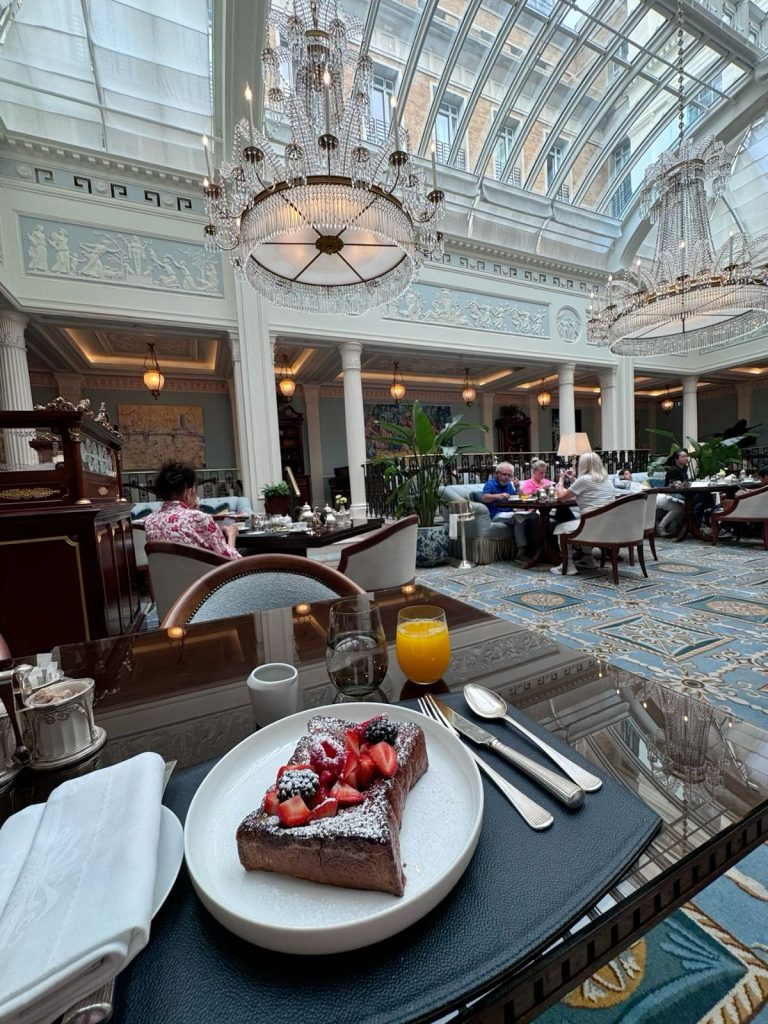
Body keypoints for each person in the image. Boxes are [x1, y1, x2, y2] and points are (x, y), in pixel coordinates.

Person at [144, 461, 242, 559]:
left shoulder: (150, 521)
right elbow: (230, 559)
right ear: (189, 492)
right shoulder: (198, 518)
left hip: (165, 569)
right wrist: (231, 536)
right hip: (206, 570)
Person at [550, 452, 617, 575]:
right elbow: (587, 488)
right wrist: (572, 479)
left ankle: (568, 565)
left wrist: (561, 480)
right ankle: (588, 559)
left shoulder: (584, 479)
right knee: (583, 520)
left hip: (591, 526)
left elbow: (561, 497)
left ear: (583, 465)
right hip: (607, 525)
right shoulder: (606, 479)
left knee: (561, 528)